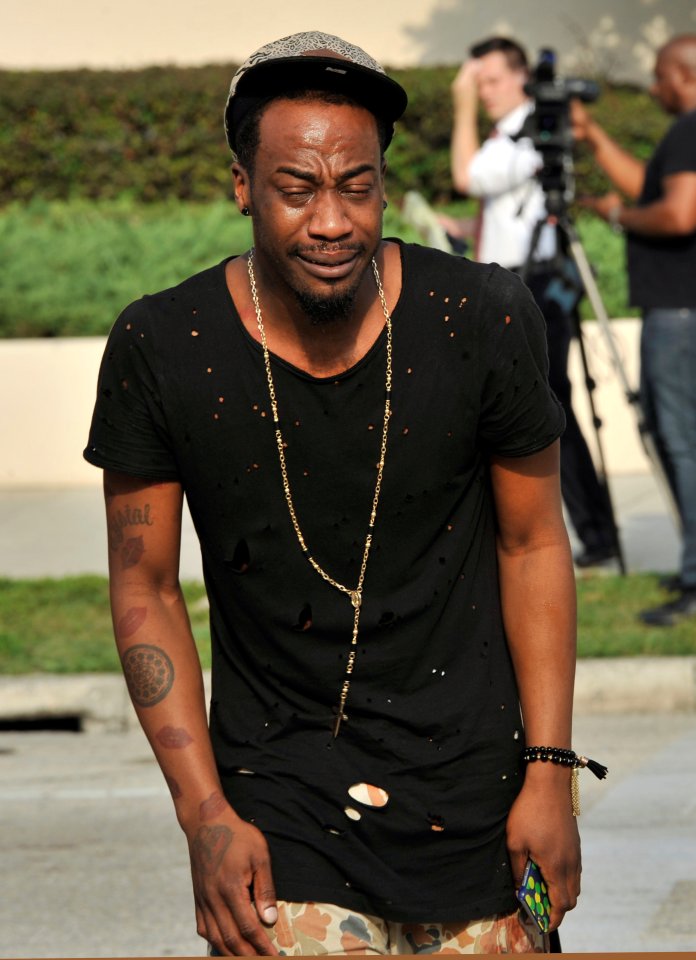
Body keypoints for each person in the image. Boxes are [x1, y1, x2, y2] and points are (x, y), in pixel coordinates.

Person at [84, 31, 583, 956]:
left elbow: (534, 545)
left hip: (482, 795)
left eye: (356, 186)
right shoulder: (164, 347)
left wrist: (549, 775)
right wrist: (205, 817)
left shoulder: (481, 318)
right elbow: (144, 587)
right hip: (279, 805)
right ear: (243, 185)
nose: (331, 221)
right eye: (297, 188)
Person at [447, 36, 620, 570]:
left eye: (492, 80)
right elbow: (502, 207)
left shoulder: (530, 133)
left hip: (535, 290)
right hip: (516, 284)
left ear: (522, 77)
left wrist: (462, 104)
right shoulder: (512, 135)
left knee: (544, 413)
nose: (485, 91)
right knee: (532, 411)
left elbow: (465, 176)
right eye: (479, 84)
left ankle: (594, 534)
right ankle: (588, 532)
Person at [573, 34, 696, 627]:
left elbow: (678, 212)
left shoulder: (691, 129)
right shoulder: (685, 137)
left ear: (684, 75)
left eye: (659, 77)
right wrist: (595, 137)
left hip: (678, 317)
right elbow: (654, 186)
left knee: (682, 443)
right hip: (677, 315)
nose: (653, 88)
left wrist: (619, 217)